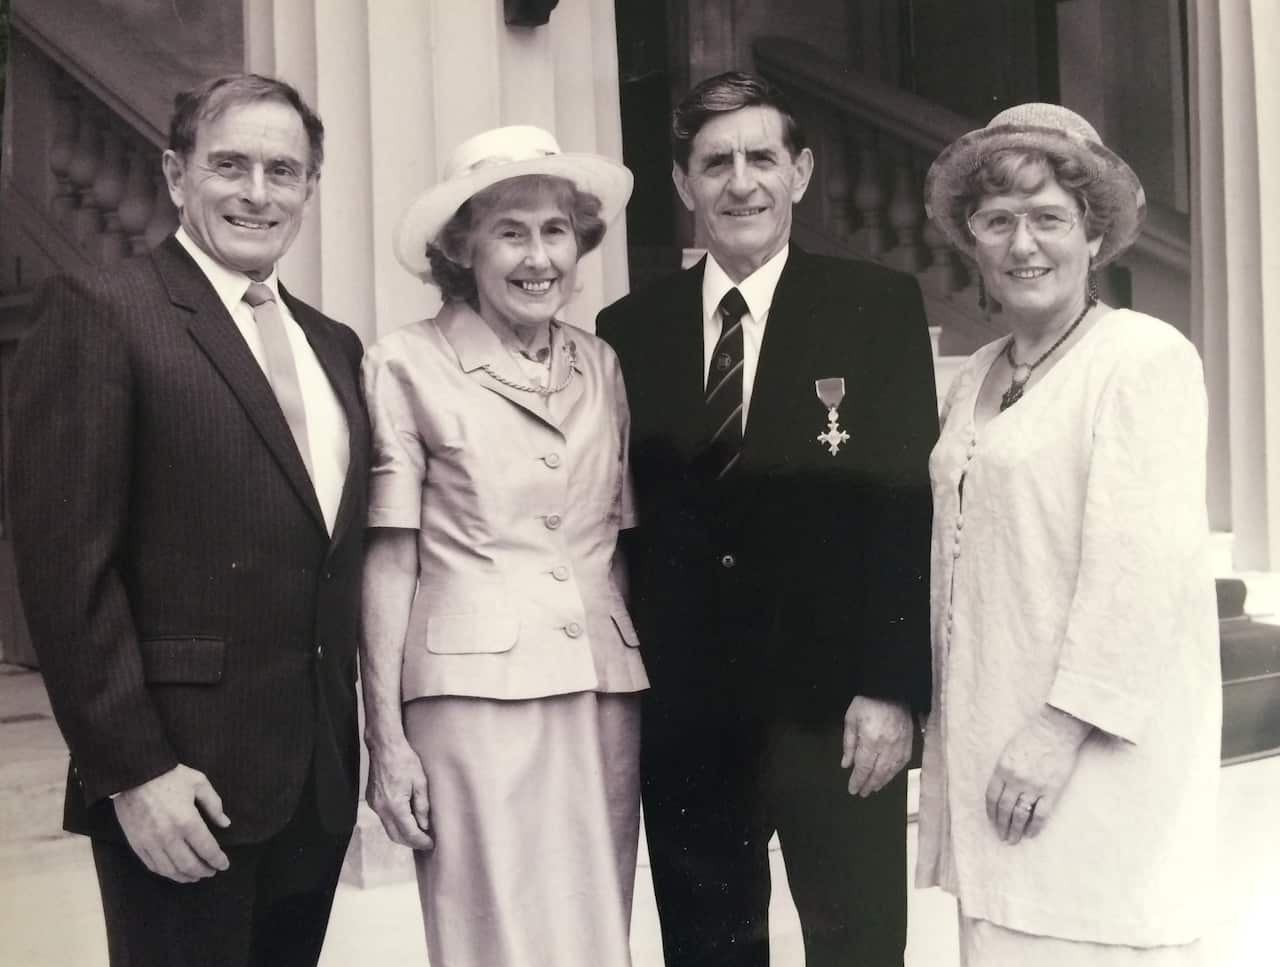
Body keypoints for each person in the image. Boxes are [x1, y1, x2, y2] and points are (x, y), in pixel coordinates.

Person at [7, 74, 369, 967]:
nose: (257, 191)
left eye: (283, 170)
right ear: (175, 175)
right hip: (179, 784)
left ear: (309, 189)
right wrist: (131, 771)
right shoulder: (101, 312)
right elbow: (65, 571)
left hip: (314, 783)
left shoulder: (335, 345)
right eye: (230, 164)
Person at [597, 71, 938, 967]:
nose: (740, 181)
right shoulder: (628, 328)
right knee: (706, 947)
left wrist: (894, 686)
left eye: (761, 158)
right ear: (684, 184)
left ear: (802, 171)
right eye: (716, 163)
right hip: (689, 708)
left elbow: (905, 508)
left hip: (836, 705)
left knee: (856, 943)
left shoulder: (876, 306)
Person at [916, 102, 1221, 966]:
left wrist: (1057, 732)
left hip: (1084, 758)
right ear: (971, 238)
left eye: (1050, 218)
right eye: (998, 220)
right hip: (988, 750)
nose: (1023, 245)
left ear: (1096, 235)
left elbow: (1142, 572)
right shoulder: (976, 373)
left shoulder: (1141, 357)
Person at [359, 125, 642, 967]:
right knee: (496, 940)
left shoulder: (601, 365)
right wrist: (387, 737)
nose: (537, 255)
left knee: (596, 933)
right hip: (471, 699)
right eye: (510, 231)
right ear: (462, 247)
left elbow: (613, 542)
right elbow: (390, 561)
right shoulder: (406, 364)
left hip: (601, 690)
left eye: (555, 230)